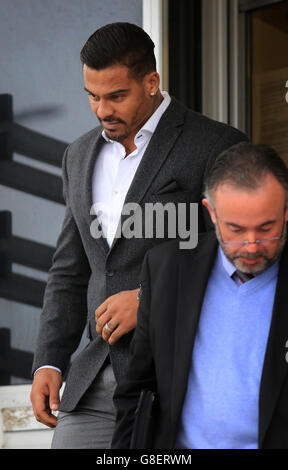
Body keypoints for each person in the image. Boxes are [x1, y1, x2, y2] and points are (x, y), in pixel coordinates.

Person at [30, 22, 247, 449]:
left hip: (179, 378)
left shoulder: (217, 145)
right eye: (92, 96)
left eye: (116, 96)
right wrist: (49, 362)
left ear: (151, 82)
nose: (101, 110)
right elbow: (70, 272)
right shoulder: (77, 156)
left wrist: (150, 299)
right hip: (92, 382)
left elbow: (243, 256)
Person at [112, 142, 288, 449]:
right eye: (235, 229)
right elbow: (138, 389)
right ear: (211, 213)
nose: (251, 245)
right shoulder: (166, 269)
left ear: (287, 210)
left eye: (265, 228)